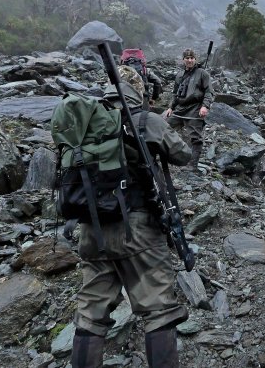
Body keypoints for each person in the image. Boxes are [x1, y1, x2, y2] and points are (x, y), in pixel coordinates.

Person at [69, 66, 191, 368]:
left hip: (91, 229)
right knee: (159, 308)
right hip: (138, 228)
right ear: (139, 89)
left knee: (90, 312)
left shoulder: (87, 122)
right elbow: (183, 155)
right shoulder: (145, 120)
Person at [163, 48, 214, 171]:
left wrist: (205, 106)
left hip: (195, 108)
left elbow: (209, 92)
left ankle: (192, 165)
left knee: (195, 137)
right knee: (162, 126)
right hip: (180, 109)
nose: (190, 60)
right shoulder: (180, 74)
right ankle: (164, 156)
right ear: (183, 60)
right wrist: (171, 107)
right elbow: (175, 93)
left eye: (192, 58)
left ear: (195, 59)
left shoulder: (202, 73)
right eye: (187, 58)